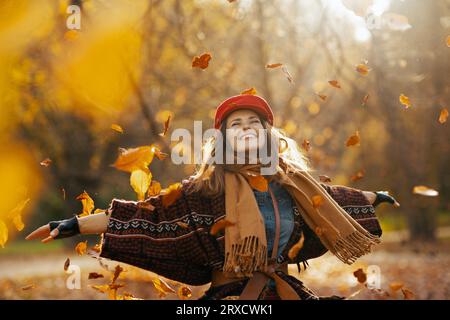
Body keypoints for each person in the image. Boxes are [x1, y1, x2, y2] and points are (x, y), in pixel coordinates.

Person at [26, 94, 399, 300]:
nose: (248, 128)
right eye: (237, 124)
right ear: (223, 140)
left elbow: (335, 201)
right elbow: (142, 214)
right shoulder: (205, 189)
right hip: (231, 300)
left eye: (255, 123)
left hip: (286, 293)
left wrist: (374, 196)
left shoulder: (295, 183)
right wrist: (74, 223)